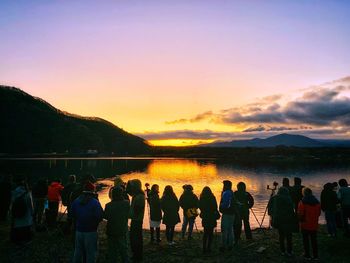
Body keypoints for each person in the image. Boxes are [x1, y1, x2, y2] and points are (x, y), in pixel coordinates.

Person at [71, 187, 103, 263]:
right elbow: (99, 216)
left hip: (79, 230)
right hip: (91, 231)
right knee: (91, 253)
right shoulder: (95, 202)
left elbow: (72, 214)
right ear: (92, 193)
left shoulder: (76, 201)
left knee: (78, 251)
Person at [104, 187, 130, 263]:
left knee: (112, 251)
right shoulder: (126, 203)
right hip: (122, 230)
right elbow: (129, 215)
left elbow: (106, 216)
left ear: (112, 195)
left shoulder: (108, 205)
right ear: (121, 194)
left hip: (111, 230)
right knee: (124, 250)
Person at [298, 188, 321, 260]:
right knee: (314, 240)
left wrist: (299, 220)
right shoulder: (317, 202)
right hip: (314, 224)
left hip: (305, 224)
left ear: (304, 193)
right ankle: (315, 256)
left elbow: (300, 214)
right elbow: (319, 213)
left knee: (305, 240)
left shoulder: (302, 202)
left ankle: (307, 255)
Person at [271, 187, 295, 256]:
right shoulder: (289, 199)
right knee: (289, 236)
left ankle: (282, 251)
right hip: (288, 220)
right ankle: (289, 251)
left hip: (279, 219)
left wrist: (273, 217)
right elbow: (291, 210)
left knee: (281, 236)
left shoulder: (275, 198)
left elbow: (271, 208)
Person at [10, 175, 34, 245]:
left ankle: (17, 239)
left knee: (17, 225)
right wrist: (32, 213)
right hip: (26, 214)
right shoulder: (27, 193)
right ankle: (26, 239)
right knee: (26, 226)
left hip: (17, 213)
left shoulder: (14, 192)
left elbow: (12, 202)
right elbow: (30, 204)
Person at [127, 179, 145, 262]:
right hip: (136, 220)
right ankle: (136, 255)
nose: (131, 188)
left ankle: (137, 256)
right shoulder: (137, 195)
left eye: (132, 186)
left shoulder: (139, 197)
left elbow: (137, 211)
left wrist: (129, 215)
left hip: (137, 220)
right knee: (134, 238)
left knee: (136, 238)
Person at [199, 186, 219, 254]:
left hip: (205, 217)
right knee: (210, 234)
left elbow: (200, 207)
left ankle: (204, 248)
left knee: (205, 233)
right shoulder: (212, 197)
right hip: (212, 217)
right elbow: (215, 207)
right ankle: (209, 248)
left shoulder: (202, 198)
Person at [219, 180, 236, 251]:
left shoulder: (226, 193)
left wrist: (221, 207)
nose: (223, 186)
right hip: (232, 214)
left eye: (224, 185)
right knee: (230, 229)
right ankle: (230, 244)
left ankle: (224, 246)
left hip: (226, 214)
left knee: (224, 230)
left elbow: (226, 204)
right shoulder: (231, 192)